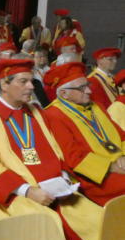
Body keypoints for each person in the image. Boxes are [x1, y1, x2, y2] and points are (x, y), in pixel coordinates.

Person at [0, 59, 103, 240]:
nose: (32, 87)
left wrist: (62, 177)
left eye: (31, 81)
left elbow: (54, 149)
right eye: (24, 82)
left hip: (55, 189)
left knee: (96, 218)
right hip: (16, 194)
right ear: (4, 85)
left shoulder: (35, 111)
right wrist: (29, 191)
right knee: (49, 228)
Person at [43, 62, 125, 206]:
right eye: (82, 88)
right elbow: (73, 158)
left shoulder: (95, 105)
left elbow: (121, 135)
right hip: (95, 177)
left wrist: (123, 157)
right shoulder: (54, 115)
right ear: (64, 94)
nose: (88, 91)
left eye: (88, 85)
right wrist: (112, 167)